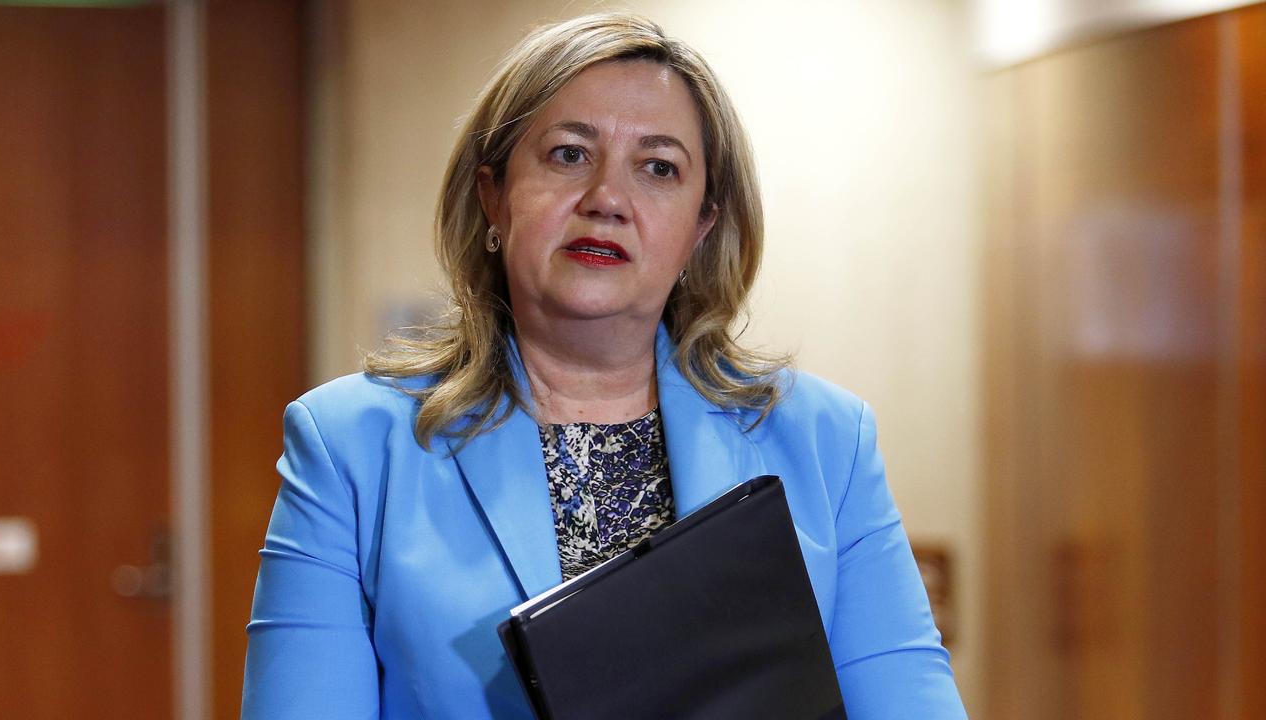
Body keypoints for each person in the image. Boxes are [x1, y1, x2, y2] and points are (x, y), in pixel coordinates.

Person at [242, 12, 966, 719]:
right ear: (493, 194)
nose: (607, 200)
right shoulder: (350, 447)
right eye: (568, 155)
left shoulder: (825, 441)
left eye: (658, 168)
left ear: (700, 226)